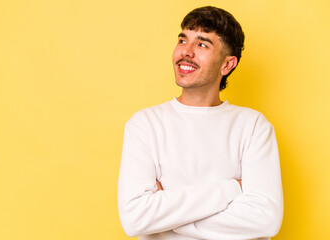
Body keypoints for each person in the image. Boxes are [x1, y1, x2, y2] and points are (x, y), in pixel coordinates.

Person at [118, 6, 283, 240]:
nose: (186, 52)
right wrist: (232, 188)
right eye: (183, 40)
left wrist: (167, 216)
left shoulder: (254, 126)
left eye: (202, 44)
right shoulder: (144, 124)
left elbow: (265, 220)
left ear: (227, 65)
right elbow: (135, 218)